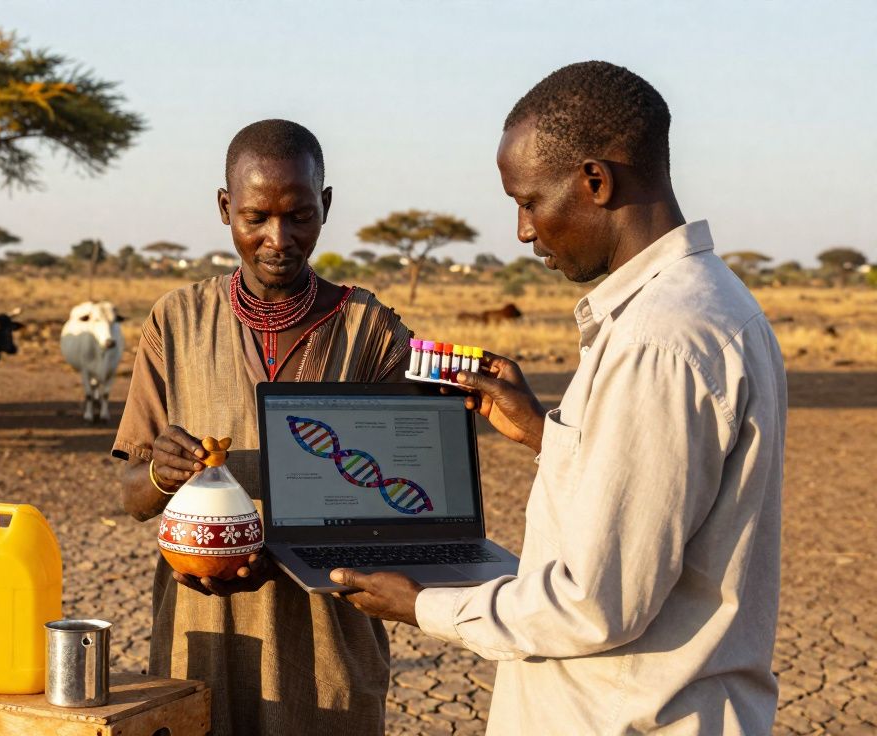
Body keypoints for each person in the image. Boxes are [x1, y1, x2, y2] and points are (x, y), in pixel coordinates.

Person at [332, 61, 787, 734]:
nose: (522, 230)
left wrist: (423, 604)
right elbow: (657, 496)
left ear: (595, 181)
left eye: (529, 200)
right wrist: (546, 434)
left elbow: (594, 603)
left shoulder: (659, 340)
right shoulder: (706, 306)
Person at [112, 119, 411, 735]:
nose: (279, 238)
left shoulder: (373, 332)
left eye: (300, 215)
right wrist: (163, 474)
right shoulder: (176, 322)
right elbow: (135, 497)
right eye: (256, 218)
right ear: (226, 209)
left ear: (325, 205)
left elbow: (405, 503)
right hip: (200, 639)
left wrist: (294, 547)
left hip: (327, 647)